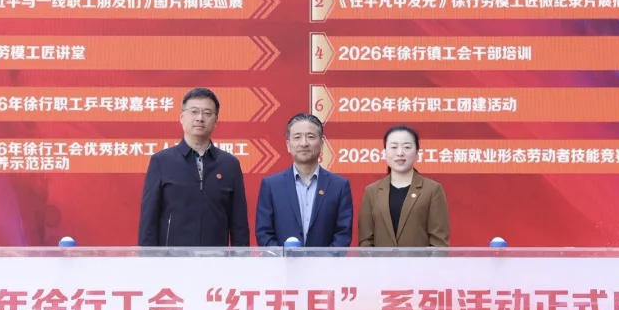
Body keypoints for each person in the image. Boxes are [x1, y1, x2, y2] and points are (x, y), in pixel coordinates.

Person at [138, 88, 250, 247]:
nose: (200, 118)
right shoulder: (161, 161)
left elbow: (239, 224)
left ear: (216, 120)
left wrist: (241, 257)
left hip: (216, 257)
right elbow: (149, 220)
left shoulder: (229, 164)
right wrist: (149, 257)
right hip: (173, 257)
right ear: (182, 117)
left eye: (207, 113)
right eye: (194, 112)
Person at [255, 113, 353, 248]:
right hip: (283, 261)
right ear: (288, 145)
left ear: (321, 144)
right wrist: (283, 257)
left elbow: (343, 234)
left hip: (325, 262)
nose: (304, 143)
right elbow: (264, 233)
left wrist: (324, 259)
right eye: (297, 137)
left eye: (310, 137)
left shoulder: (339, 186)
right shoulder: (271, 185)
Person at [359, 125, 450, 247]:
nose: (400, 153)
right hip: (381, 260)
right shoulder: (372, 191)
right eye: (394, 147)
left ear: (417, 152)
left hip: (419, 260)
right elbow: (366, 241)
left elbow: (439, 242)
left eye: (407, 147)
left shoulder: (432, 190)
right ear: (384, 152)